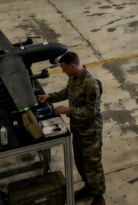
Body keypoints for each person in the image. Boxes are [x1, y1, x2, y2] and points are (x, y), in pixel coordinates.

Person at [37, 53, 106, 205]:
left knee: (93, 166)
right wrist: (50, 97)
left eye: (64, 69)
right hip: (79, 130)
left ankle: (99, 197)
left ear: (73, 66)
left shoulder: (91, 83)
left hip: (90, 132)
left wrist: (66, 110)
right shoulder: (74, 77)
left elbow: (90, 111)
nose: (63, 72)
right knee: (81, 164)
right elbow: (67, 91)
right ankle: (88, 188)